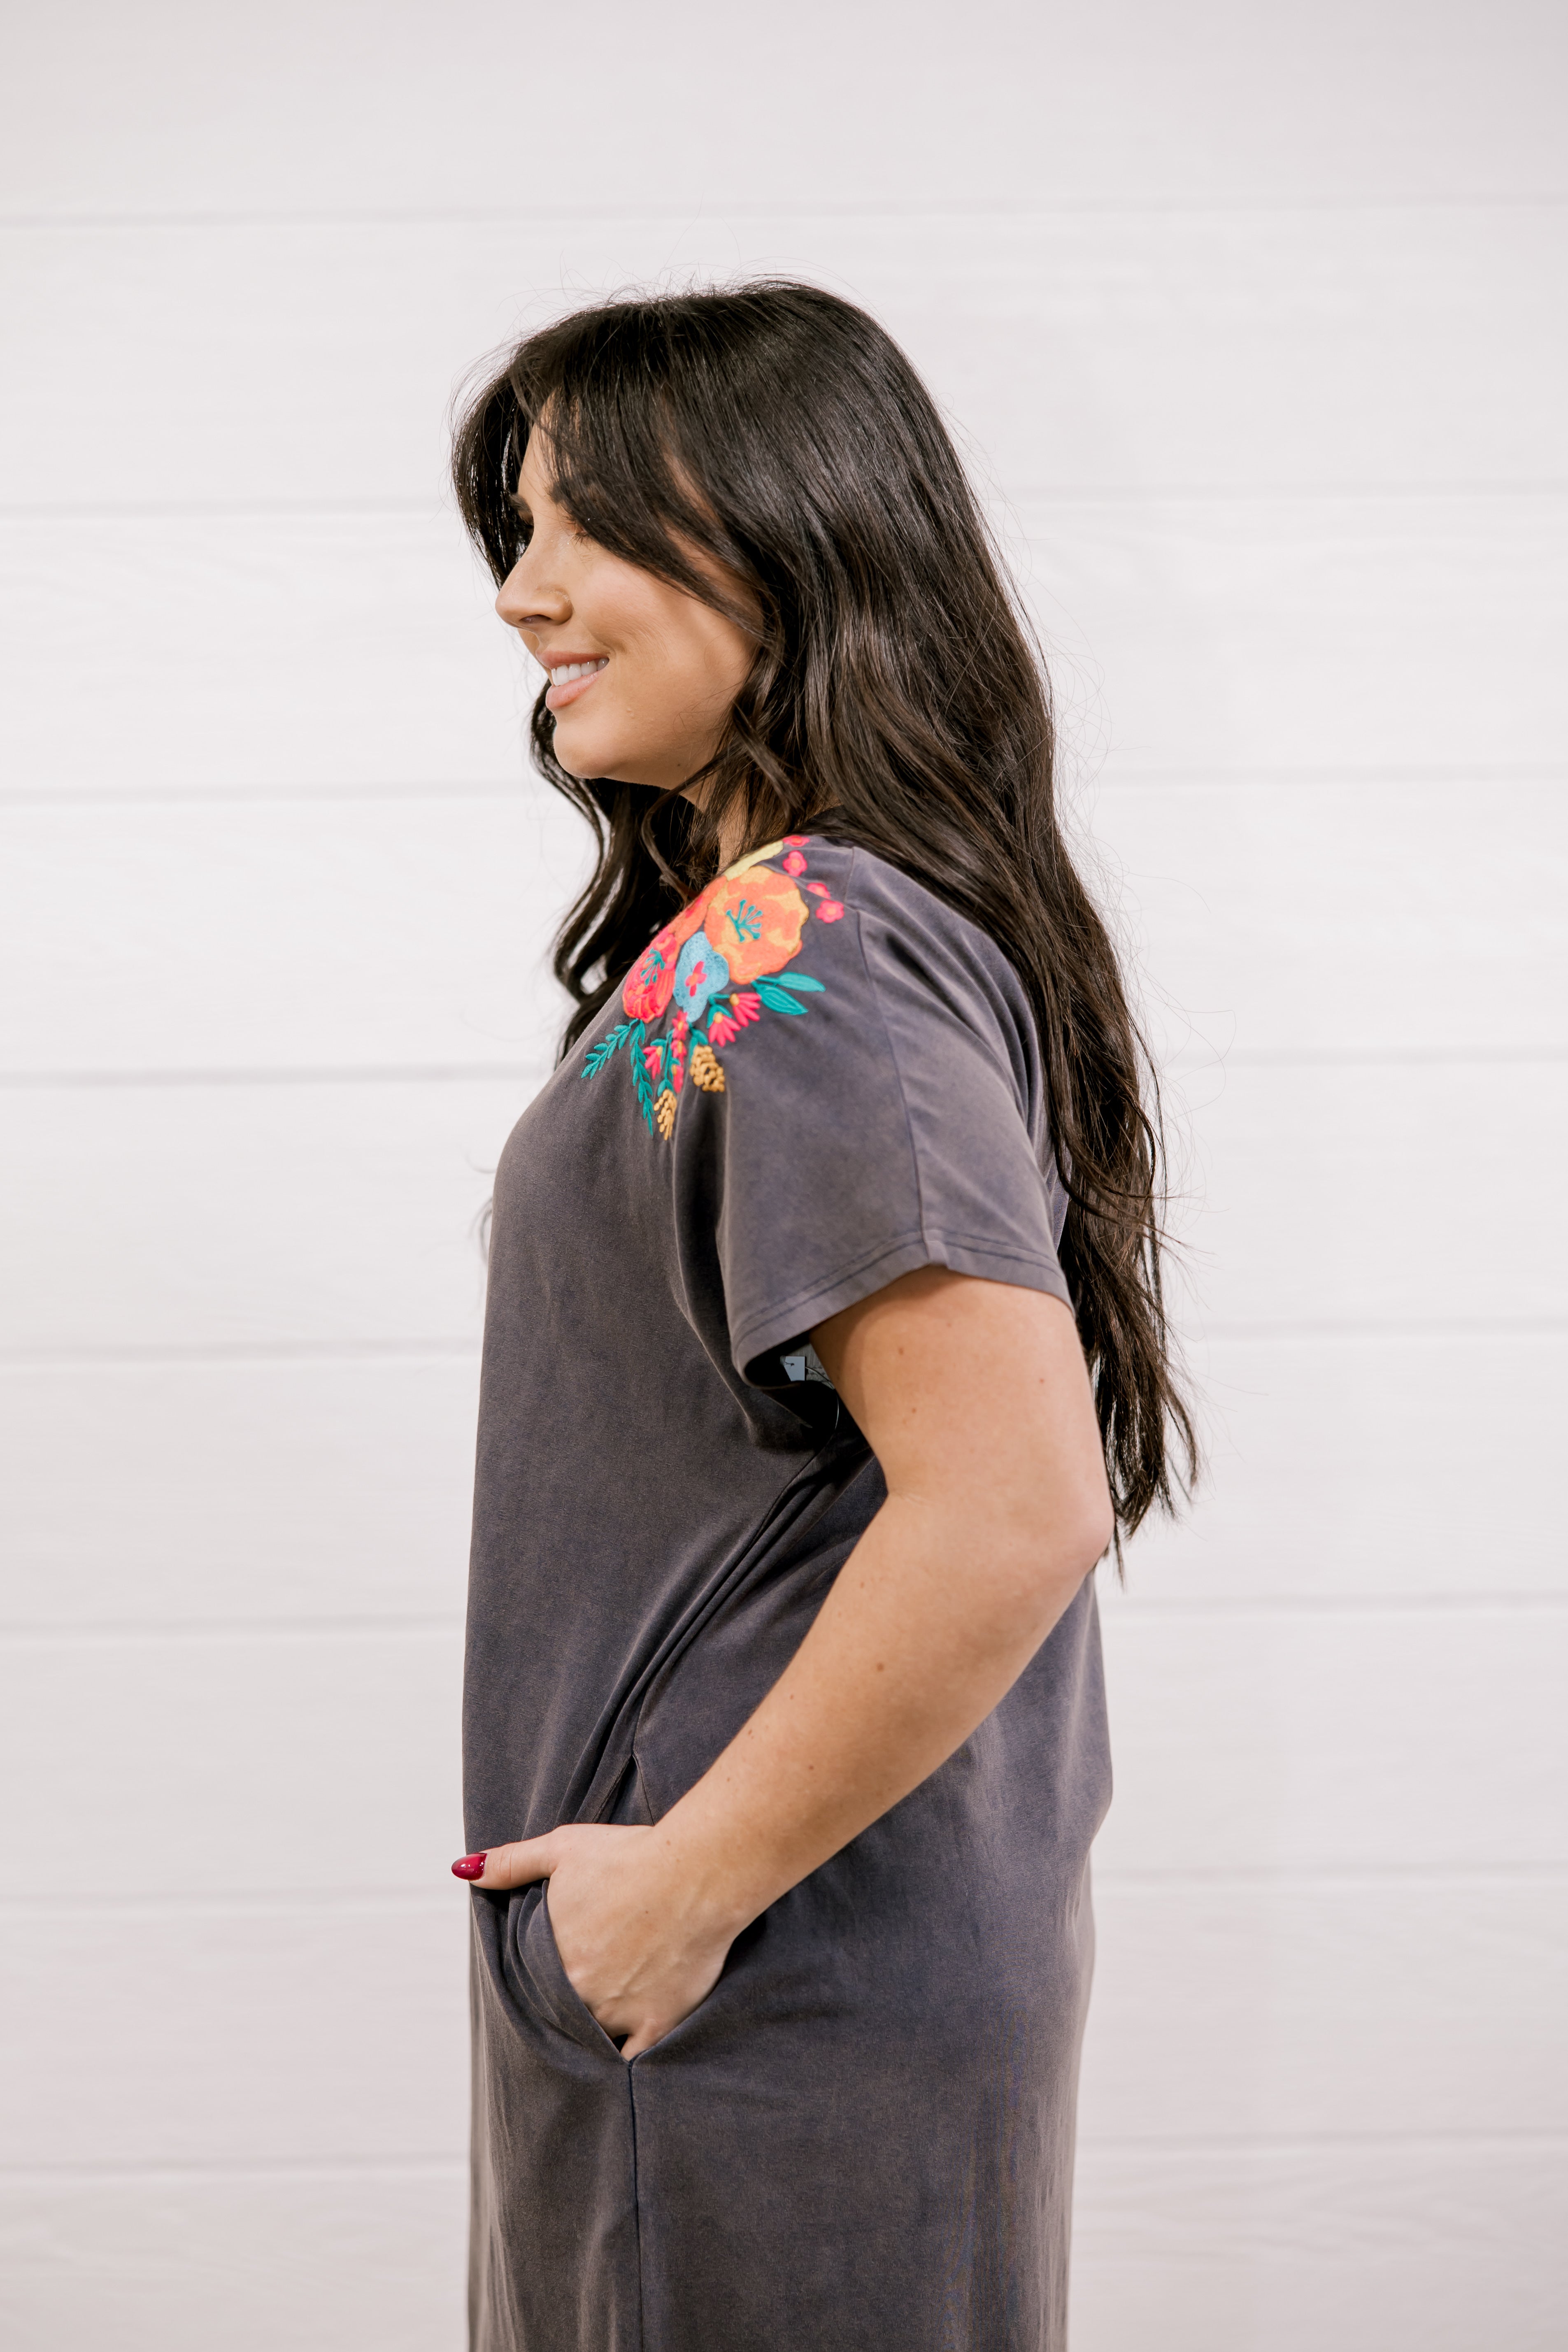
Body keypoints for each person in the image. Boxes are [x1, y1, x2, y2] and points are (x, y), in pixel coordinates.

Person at [447, 282, 1193, 2352]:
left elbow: (1011, 1500)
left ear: (790, 530)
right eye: (515, 532)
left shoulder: (823, 946)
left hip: (757, 1989)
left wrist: (676, 1893)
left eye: (586, 522)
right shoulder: (776, 934)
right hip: (736, 1986)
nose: (527, 594)